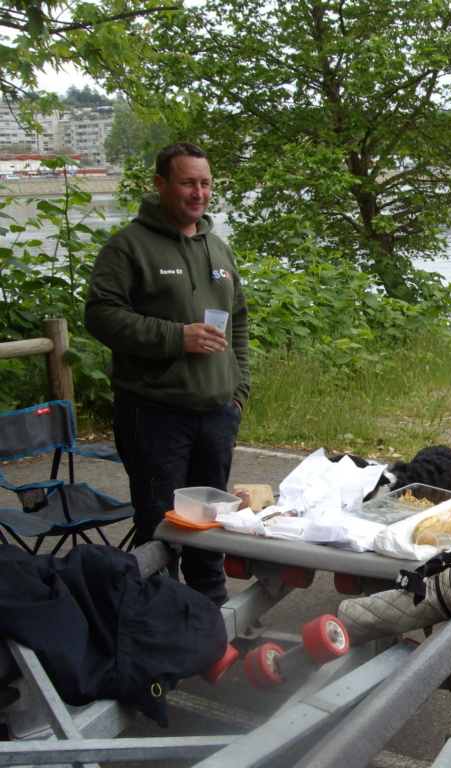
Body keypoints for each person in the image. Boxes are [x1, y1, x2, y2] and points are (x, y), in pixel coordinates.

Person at [85, 142, 250, 606]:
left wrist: (238, 392)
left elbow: (238, 322)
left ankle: (211, 616)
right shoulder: (129, 246)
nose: (198, 193)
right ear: (160, 185)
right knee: (161, 527)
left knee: (211, 522)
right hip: (154, 414)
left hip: (217, 413)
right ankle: (157, 622)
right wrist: (176, 337)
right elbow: (100, 315)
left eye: (205, 183)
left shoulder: (218, 247)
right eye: (187, 182)